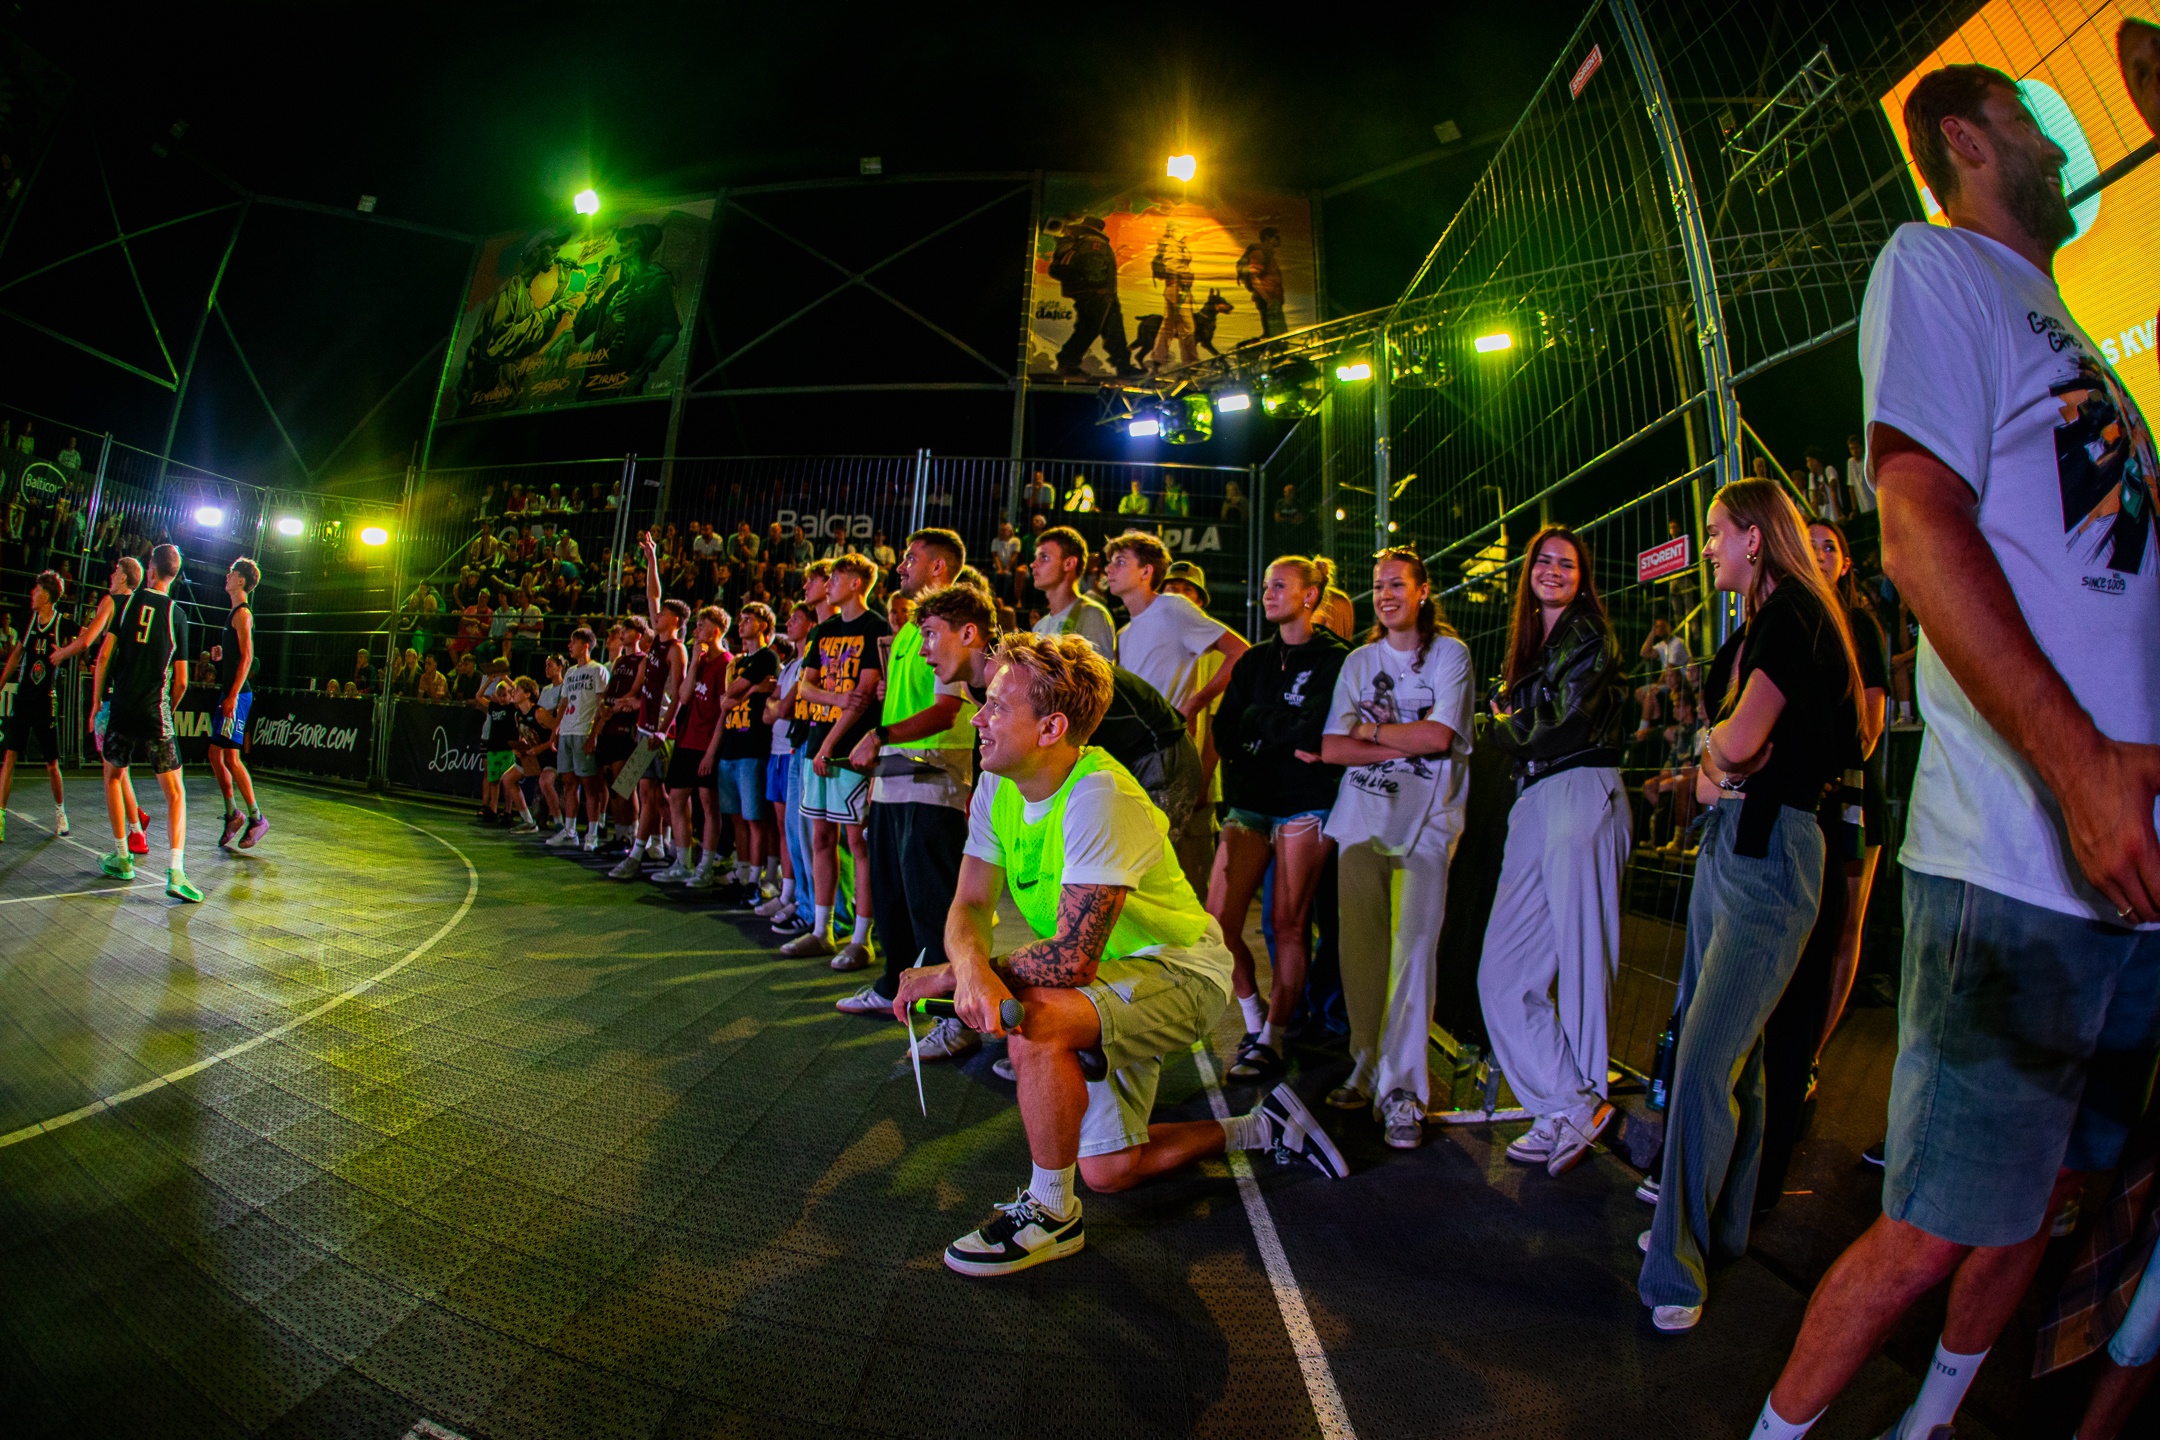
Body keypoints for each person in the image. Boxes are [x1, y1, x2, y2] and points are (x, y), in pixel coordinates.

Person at [1757, 60, 2160, 1440]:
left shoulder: (2080, 335)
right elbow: (1920, 529)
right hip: (2021, 858)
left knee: (2048, 1199)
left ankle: (1926, 1426)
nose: (2060, 146)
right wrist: (2085, 771)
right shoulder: (1936, 267)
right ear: (1964, 140)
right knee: (1933, 1222)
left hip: (2126, 873)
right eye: (2032, 124)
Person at [894, 632, 1347, 1278]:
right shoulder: (1000, 786)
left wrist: (956, 975)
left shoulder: (1098, 794)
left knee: (1036, 1020)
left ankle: (1052, 1214)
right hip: (1108, 977)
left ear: (1051, 728)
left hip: (1179, 971)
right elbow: (968, 904)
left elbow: (1071, 960)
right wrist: (967, 970)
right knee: (1109, 1170)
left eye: (997, 706)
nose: (978, 718)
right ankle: (1264, 1127)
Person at [1638, 478, 1862, 1335]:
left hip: (1773, 851)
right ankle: (1717, 1233)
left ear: (1754, 538)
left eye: (1715, 533)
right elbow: (1724, 766)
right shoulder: (1765, 623)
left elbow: (1732, 747)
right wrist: (1720, 763)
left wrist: (1715, 753)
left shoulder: (1796, 616)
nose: (1707, 548)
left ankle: (1675, 1266)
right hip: (1737, 842)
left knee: (1704, 1058)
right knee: (1738, 1053)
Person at [1476, 526, 1631, 1178]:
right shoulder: (1532, 646)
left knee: (1584, 962)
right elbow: (1539, 722)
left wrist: (1497, 727)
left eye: (1567, 563)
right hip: (1538, 794)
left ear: (1582, 576)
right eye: (1543, 560)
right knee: (1502, 973)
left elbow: (1567, 724)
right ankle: (1567, 1103)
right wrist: (1508, 724)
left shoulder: (1588, 632)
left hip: (1580, 785)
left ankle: (1576, 1106)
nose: (1554, 570)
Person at [1751, 520, 1890, 1219]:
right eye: (1811, 544)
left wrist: (1827, 750)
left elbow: (1868, 725)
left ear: (1846, 562)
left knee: (1841, 931)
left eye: (1831, 545)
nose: (1821, 553)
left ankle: (1810, 1055)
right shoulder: (1795, 617)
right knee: (1802, 933)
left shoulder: (1857, 624)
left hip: (1851, 795)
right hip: (1806, 797)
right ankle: (1784, 1059)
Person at [1317, 547, 1474, 1149]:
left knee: (1413, 951)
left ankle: (1403, 1092)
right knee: (1360, 952)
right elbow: (1334, 747)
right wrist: (1401, 741)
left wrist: (1372, 731)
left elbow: (1440, 735)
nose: (1385, 595)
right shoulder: (1358, 661)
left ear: (1423, 590)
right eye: (1378, 586)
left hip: (1428, 822)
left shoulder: (1450, 655)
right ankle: (1366, 1062)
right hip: (1362, 820)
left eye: (1397, 585)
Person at [1208, 556, 1350, 1081]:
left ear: (1310, 595)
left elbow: (1317, 730)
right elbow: (1226, 732)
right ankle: (1254, 1017)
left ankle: (1273, 1038)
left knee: (1289, 923)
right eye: (1266, 585)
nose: (1267, 593)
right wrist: (1279, 731)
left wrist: (1260, 725)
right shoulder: (1253, 662)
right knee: (1217, 923)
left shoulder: (1337, 659)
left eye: (1280, 585)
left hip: (1305, 803)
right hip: (1251, 801)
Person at [838, 533, 978, 1044]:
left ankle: (953, 1017)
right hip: (894, 779)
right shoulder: (909, 630)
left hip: (934, 777)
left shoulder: (951, 627)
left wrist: (881, 734)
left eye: (911, 558)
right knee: (892, 897)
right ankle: (892, 985)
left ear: (939, 567)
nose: (901, 566)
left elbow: (947, 710)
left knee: (932, 903)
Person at [1102, 533, 1248, 886]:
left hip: (1169, 758)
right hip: (1137, 762)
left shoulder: (1172, 608)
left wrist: (1194, 702)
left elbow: (1240, 652)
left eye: (1120, 562)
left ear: (1146, 572)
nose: (1109, 569)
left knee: (1178, 871)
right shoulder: (1124, 633)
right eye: (1109, 562)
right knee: (1146, 872)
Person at [791, 553, 888, 966]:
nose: (828, 583)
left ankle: (861, 937)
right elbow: (805, 687)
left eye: (836, 577)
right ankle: (822, 929)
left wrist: (829, 744)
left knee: (856, 841)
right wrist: (834, 699)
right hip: (820, 744)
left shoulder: (875, 627)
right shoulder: (823, 630)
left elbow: (863, 697)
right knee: (820, 837)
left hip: (851, 750)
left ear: (856, 582)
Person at [91, 544, 199, 901]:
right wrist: (167, 707)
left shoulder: (125, 605)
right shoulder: (177, 615)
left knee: (113, 776)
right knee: (175, 794)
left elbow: (104, 654)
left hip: (123, 708)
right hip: (155, 713)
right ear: (174, 574)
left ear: (150, 570)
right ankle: (176, 872)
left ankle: (122, 857)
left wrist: (96, 703)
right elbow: (182, 681)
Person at [0, 569, 76, 843]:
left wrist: (66, 652)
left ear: (46, 595)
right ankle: (0, 815)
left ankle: (60, 812)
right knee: (10, 756)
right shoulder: (29, 621)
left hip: (46, 702)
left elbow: (88, 635)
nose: (32, 594)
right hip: (24, 699)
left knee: (51, 763)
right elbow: (15, 656)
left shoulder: (61, 623)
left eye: (36, 590)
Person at [659, 605, 733, 884]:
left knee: (708, 803)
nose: (696, 629)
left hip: (707, 743)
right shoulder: (699, 661)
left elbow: (724, 712)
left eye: (702, 625)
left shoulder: (726, 663)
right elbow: (685, 697)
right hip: (687, 739)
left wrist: (712, 753)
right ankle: (683, 862)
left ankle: (706, 865)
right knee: (677, 797)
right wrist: (693, 664)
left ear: (716, 630)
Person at [712, 601, 780, 899]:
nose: (741, 624)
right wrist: (751, 690)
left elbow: (731, 694)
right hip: (731, 745)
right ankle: (741, 874)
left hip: (753, 745)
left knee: (754, 818)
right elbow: (725, 699)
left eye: (748, 619)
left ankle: (755, 879)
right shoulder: (738, 662)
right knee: (737, 816)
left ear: (763, 625)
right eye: (741, 619)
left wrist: (744, 692)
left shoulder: (766, 657)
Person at [208, 558, 268, 850]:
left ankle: (257, 818)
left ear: (241, 580)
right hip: (229, 691)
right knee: (215, 754)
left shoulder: (243, 614)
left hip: (238, 694)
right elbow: (237, 655)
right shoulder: (233, 612)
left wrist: (233, 695)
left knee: (231, 758)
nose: (227, 575)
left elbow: (247, 657)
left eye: (232, 572)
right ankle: (233, 813)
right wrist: (223, 655)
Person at [545, 628, 610, 849]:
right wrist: (555, 730)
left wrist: (593, 735)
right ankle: (570, 831)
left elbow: (601, 705)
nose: (569, 646)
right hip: (567, 732)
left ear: (585, 645)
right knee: (569, 783)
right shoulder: (571, 672)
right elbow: (563, 704)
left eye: (573, 642)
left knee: (590, 786)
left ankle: (592, 834)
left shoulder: (597, 670)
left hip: (584, 731)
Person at [1029, 526, 1118, 659]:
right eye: (1036, 557)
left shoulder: (1091, 615)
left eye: (1044, 558)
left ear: (1069, 563)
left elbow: (1100, 671)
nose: (1033, 564)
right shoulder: (1039, 626)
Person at [1236, 226, 1288, 337]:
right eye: (1276, 237)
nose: (1279, 240)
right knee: (1276, 336)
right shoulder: (1259, 253)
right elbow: (1254, 278)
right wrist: (1268, 300)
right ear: (1267, 238)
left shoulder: (1268, 254)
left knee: (1278, 335)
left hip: (1272, 300)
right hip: (1268, 301)